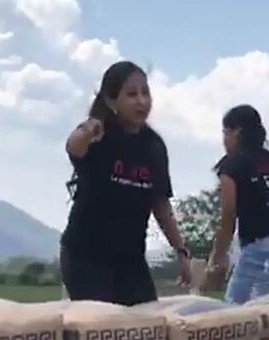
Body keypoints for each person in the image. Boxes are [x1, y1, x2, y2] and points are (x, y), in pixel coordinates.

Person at [60, 61, 192, 306]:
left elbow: (160, 204)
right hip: (86, 257)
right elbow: (73, 147)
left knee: (146, 322)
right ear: (112, 101)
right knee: (102, 324)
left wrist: (181, 251)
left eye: (145, 93)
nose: (141, 101)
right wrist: (87, 130)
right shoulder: (98, 134)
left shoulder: (154, 146)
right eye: (132, 94)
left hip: (131, 260)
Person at [206, 105, 269, 304]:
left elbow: (228, 216)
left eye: (225, 132)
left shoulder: (232, 165)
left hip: (259, 253)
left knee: (237, 313)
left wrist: (217, 256)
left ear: (236, 132)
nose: (224, 139)